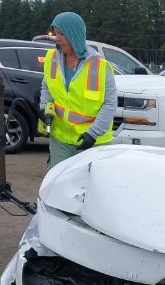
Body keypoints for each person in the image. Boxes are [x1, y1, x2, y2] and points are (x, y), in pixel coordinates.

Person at [39, 12, 116, 168]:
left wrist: (93, 133)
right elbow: (47, 86)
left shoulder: (101, 66)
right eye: (56, 33)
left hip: (93, 142)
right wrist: (44, 107)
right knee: (58, 185)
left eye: (61, 33)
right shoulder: (51, 58)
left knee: (89, 187)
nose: (57, 38)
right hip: (60, 141)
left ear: (74, 34)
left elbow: (110, 103)